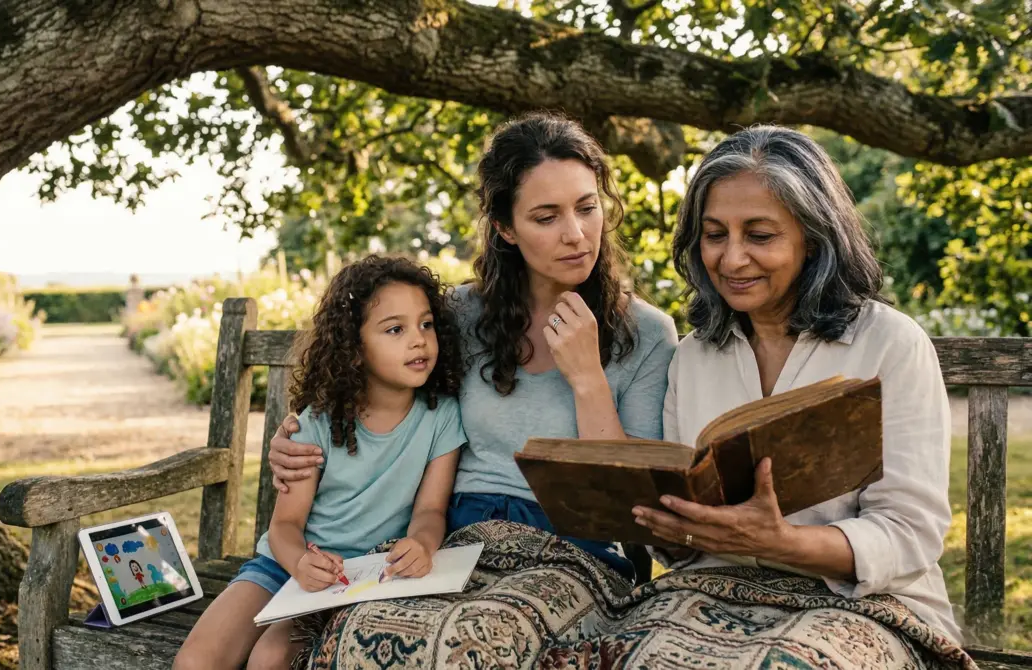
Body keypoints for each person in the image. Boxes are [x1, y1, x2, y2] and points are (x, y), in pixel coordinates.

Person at [602, 125, 965, 666]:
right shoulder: (696, 355)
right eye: (714, 234)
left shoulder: (889, 344)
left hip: (866, 605)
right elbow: (682, 545)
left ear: (813, 239)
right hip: (711, 592)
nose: (731, 259)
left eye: (760, 235)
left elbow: (909, 535)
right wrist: (673, 529)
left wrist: (781, 543)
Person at [267, 111, 679, 581]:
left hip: (572, 552)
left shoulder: (646, 334)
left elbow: (636, 504)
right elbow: (373, 394)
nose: (576, 234)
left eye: (587, 208)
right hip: (456, 541)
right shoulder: (458, 315)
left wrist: (588, 379)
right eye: (546, 217)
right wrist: (296, 436)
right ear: (505, 228)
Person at [173, 256, 468, 670]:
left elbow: (431, 510)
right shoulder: (316, 423)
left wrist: (421, 543)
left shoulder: (441, 418)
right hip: (284, 567)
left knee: (270, 659)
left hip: (365, 579)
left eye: (426, 324)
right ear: (354, 348)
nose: (419, 340)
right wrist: (299, 564)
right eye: (395, 329)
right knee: (195, 663)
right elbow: (285, 527)